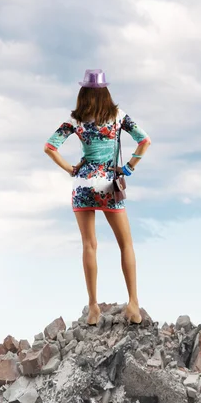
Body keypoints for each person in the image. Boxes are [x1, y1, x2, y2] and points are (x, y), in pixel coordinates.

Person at [44, 69, 151, 326]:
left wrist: (71, 168)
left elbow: (49, 147)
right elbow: (144, 141)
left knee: (89, 245)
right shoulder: (117, 117)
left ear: (83, 94)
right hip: (108, 185)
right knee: (126, 244)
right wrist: (128, 167)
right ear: (106, 92)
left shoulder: (76, 120)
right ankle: (133, 305)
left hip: (83, 186)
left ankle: (93, 308)